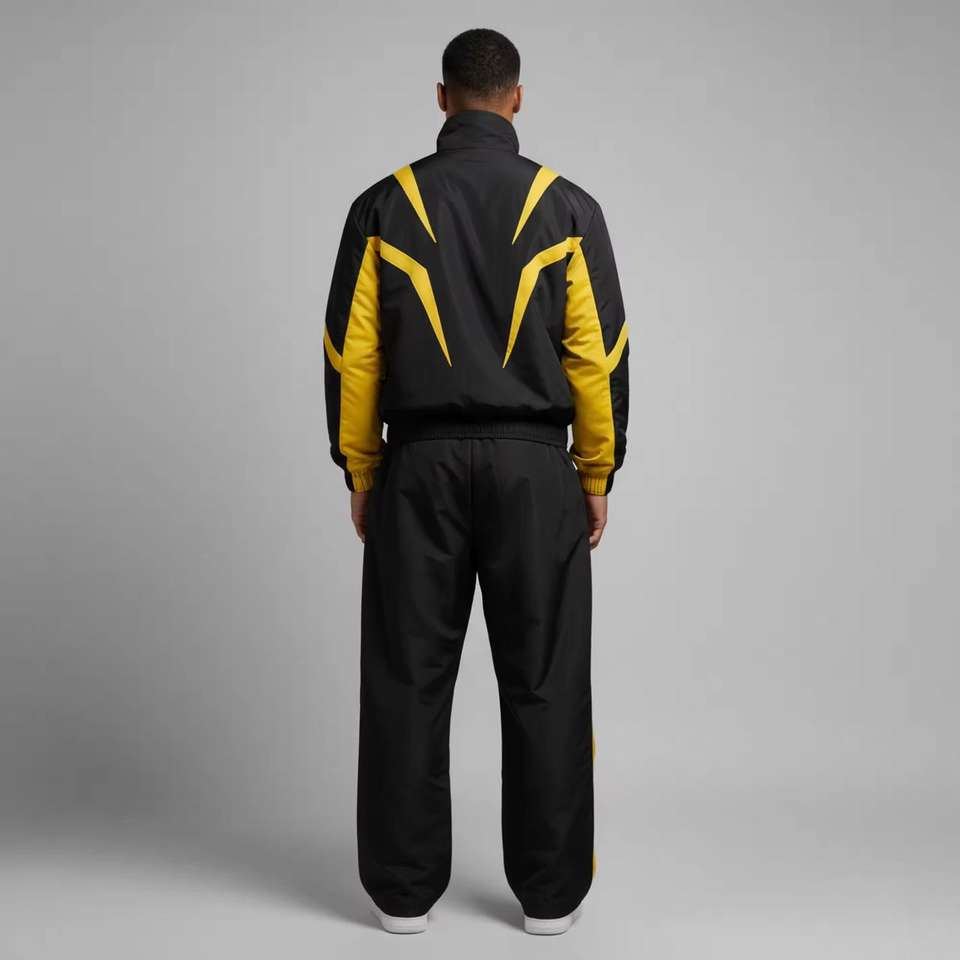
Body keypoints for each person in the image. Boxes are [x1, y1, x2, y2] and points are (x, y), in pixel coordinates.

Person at [322, 27, 629, 936]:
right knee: (545, 679)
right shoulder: (567, 207)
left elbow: (353, 354)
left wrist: (363, 469)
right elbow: (597, 355)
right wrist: (597, 471)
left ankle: (402, 897)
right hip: (536, 471)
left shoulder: (384, 205)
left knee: (407, 678)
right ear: (517, 98)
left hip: (417, 467)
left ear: (442, 97)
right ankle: (549, 899)